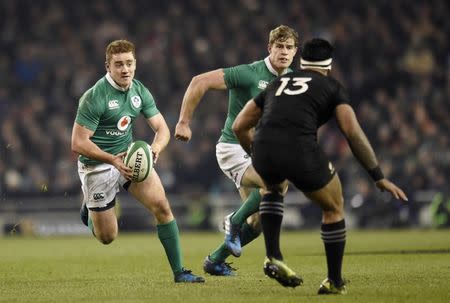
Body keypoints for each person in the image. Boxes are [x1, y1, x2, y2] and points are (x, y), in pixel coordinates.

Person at [232, 38, 408, 293]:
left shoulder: (278, 83)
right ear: (329, 64)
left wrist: (258, 153)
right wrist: (377, 176)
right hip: (299, 147)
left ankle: (274, 256)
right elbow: (352, 132)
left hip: (263, 145)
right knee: (334, 206)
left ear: (301, 60)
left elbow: (239, 125)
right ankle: (334, 281)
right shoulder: (331, 87)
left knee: (273, 187)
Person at [71, 39, 204, 283]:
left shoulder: (139, 91)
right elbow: (78, 143)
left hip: (128, 157)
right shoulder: (94, 97)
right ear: (108, 67)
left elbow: (162, 128)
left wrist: (154, 150)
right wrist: (112, 160)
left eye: (129, 63)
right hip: (97, 166)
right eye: (119, 64)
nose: (125, 69)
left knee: (162, 207)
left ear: (135, 64)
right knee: (107, 237)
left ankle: (180, 272)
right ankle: (88, 211)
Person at [175, 25, 299, 276]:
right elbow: (200, 81)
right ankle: (233, 221)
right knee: (276, 183)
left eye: (289, 47)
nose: (284, 52)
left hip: (260, 151)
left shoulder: (292, 79)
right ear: (270, 48)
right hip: (233, 147)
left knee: (258, 222)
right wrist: (184, 122)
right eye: (279, 46)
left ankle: (215, 260)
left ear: (295, 52)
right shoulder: (249, 73)